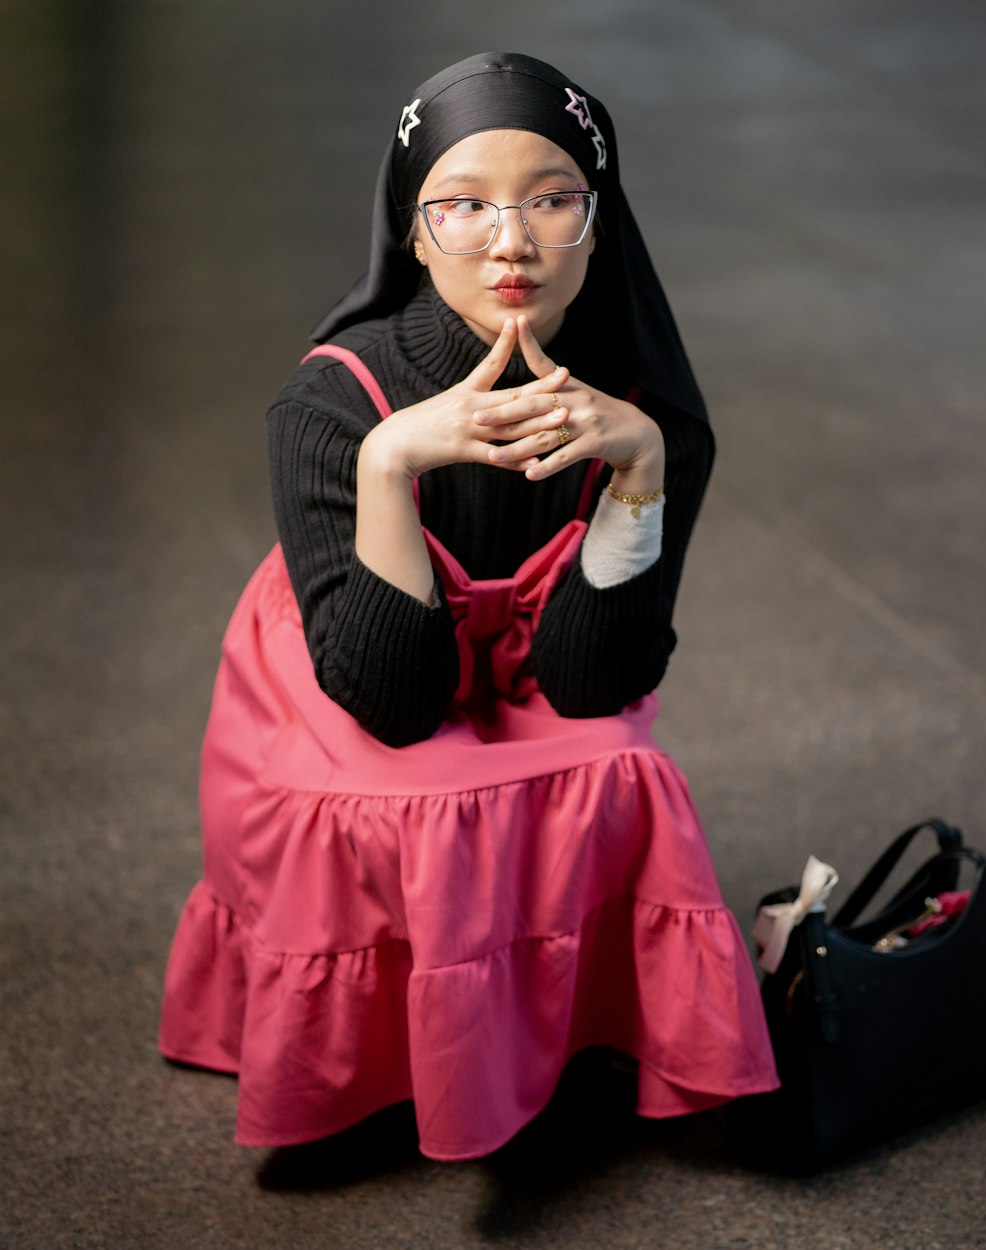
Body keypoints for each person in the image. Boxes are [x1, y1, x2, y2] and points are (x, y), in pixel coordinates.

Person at [159, 51, 778, 1161]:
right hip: (362, 675)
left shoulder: (641, 411)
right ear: (410, 225)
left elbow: (595, 685)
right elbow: (387, 703)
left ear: (598, 218)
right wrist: (390, 466)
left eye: (552, 199)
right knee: (388, 791)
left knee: (613, 759)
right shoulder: (330, 402)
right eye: (464, 206)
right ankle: (392, 1056)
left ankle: (562, 1025)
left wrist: (640, 478)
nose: (511, 240)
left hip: (539, 665)